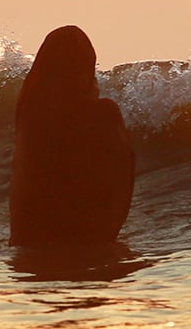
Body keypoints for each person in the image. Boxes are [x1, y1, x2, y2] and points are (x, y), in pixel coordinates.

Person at [9, 25, 135, 248]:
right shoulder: (103, 113)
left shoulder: (30, 115)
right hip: (81, 245)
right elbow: (121, 183)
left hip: (27, 247)